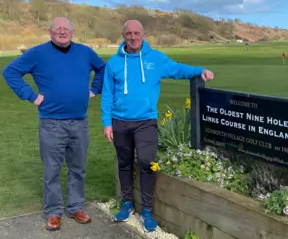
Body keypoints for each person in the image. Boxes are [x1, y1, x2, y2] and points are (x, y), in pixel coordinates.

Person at [100, 20, 214, 232]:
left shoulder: (155, 58)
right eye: (128, 33)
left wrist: (200, 71)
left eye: (137, 33)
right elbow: (107, 94)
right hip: (120, 121)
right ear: (123, 35)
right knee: (124, 163)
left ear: (143, 34)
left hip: (146, 121)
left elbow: (178, 70)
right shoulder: (114, 63)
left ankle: (147, 211)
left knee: (145, 162)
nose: (133, 37)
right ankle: (127, 204)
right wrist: (107, 123)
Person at [2, 17, 106, 231]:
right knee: (52, 170)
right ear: (49, 32)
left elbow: (103, 69)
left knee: (78, 168)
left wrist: (95, 89)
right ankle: (53, 212)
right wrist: (30, 95)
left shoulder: (85, 52)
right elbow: (10, 72)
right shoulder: (38, 53)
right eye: (57, 28)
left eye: (66, 28)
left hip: (79, 122)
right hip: (52, 124)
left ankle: (75, 207)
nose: (62, 31)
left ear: (72, 32)